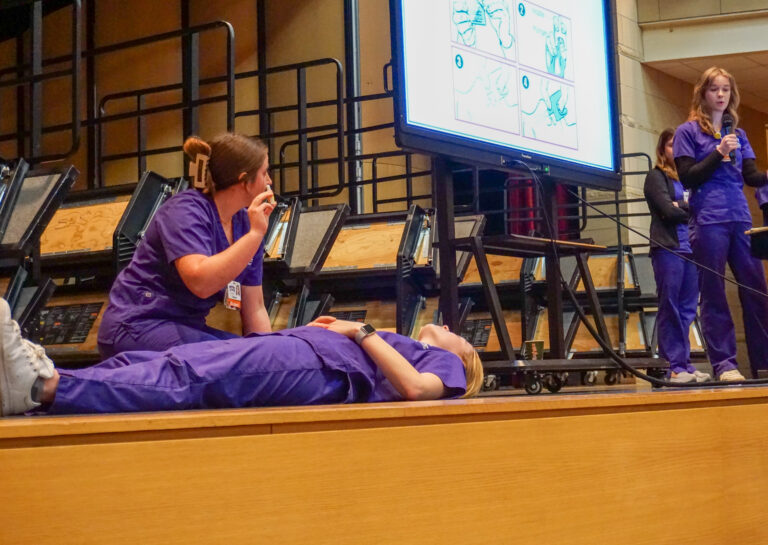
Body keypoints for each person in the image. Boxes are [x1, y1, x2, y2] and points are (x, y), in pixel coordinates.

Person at [0, 300, 484, 416]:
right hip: (297, 350)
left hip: (317, 366)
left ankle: (41, 389)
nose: (447, 327)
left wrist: (361, 331)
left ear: (463, 361)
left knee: (186, 377)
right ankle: (42, 377)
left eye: (457, 335)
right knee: (164, 363)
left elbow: (416, 391)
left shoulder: (443, 365)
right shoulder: (421, 345)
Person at [97, 133, 276, 359]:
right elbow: (201, 281)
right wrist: (256, 234)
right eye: (264, 173)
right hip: (139, 324)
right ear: (245, 181)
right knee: (233, 360)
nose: (269, 181)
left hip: (186, 328)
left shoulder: (244, 223)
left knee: (260, 356)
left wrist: (271, 356)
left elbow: (256, 306)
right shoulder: (185, 210)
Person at [673, 66, 768, 381]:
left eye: (726, 89)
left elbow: (751, 176)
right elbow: (688, 176)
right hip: (709, 217)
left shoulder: (739, 134)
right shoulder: (687, 132)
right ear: (703, 93)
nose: (721, 95)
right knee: (714, 291)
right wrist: (718, 152)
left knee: (756, 290)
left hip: (740, 217)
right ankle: (725, 364)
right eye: (715, 89)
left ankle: (763, 363)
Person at [644, 129, 711, 383]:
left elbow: (700, 209)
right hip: (668, 249)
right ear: (663, 150)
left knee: (687, 308)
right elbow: (666, 212)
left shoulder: (689, 180)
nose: (675, 150)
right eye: (671, 145)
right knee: (670, 306)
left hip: (692, 250)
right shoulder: (656, 177)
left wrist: (680, 206)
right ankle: (672, 366)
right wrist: (687, 209)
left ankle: (684, 364)